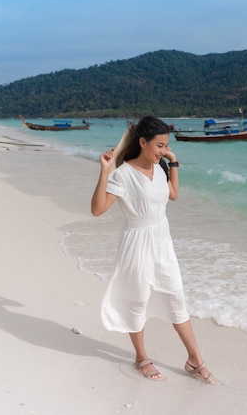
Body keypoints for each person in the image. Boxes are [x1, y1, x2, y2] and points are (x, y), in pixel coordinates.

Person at [91, 116, 215, 384]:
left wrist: (173, 162)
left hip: (163, 243)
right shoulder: (123, 174)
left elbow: (173, 194)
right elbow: (97, 210)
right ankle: (141, 357)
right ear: (142, 142)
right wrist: (105, 170)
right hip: (137, 243)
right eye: (159, 145)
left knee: (176, 298)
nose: (163, 150)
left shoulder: (160, 168)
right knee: (137, 300)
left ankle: (195, 360)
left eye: (166, 145)